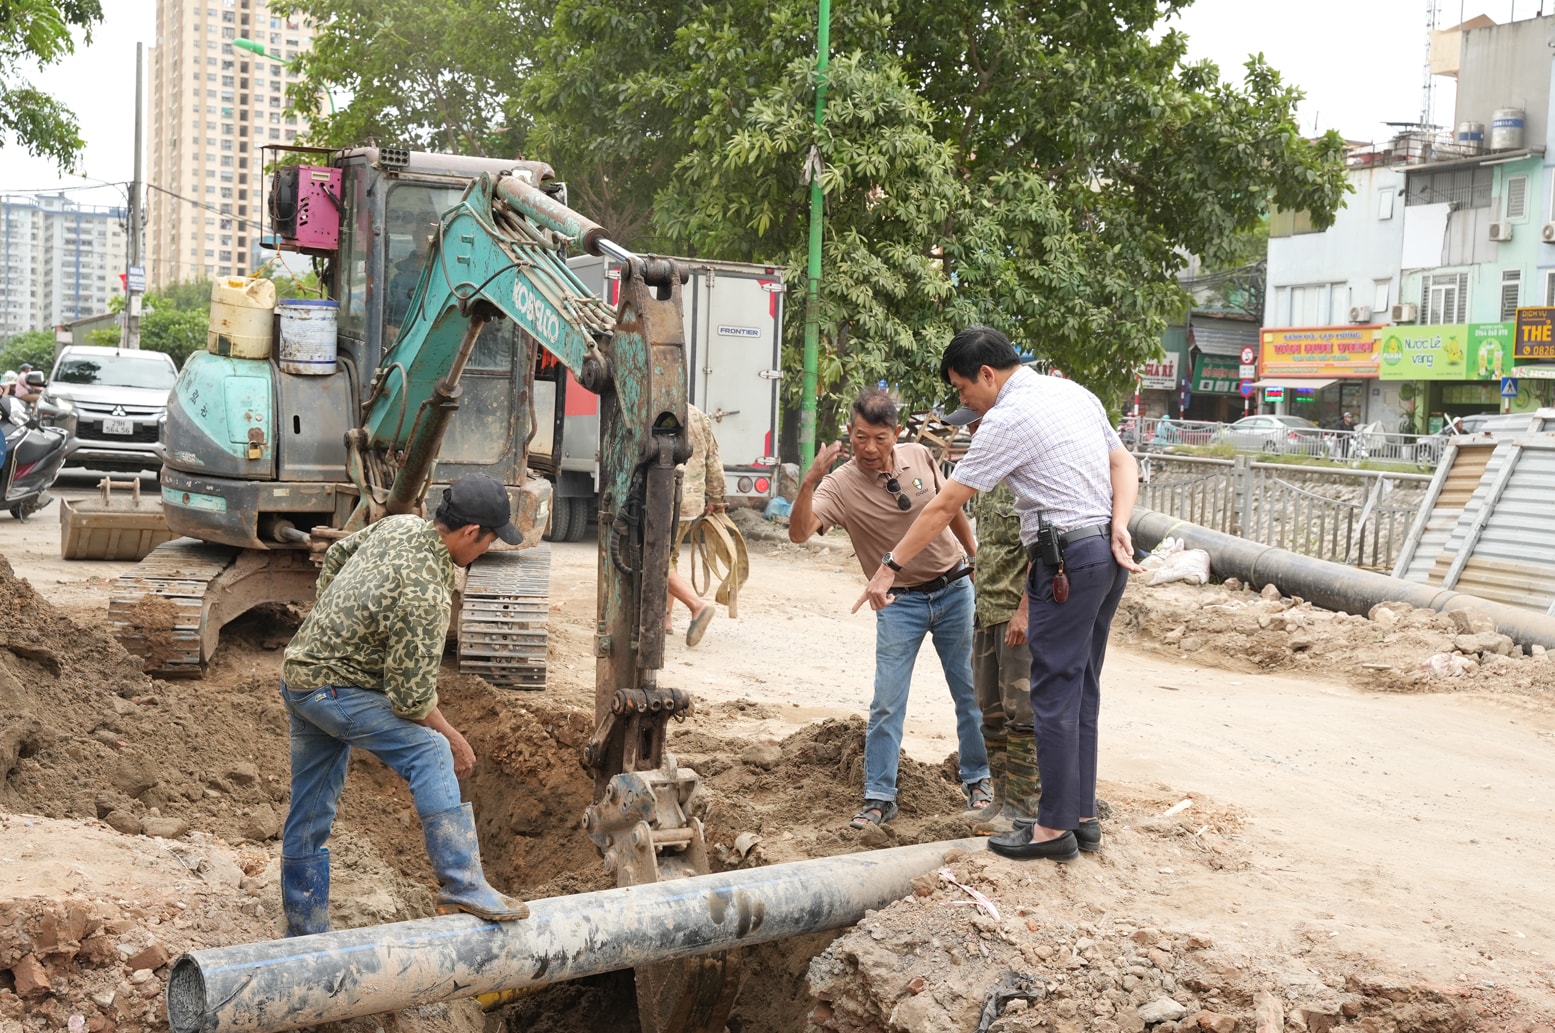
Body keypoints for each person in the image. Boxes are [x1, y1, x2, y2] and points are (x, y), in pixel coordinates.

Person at [856, 328, 1145, 862]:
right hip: (1105, 551)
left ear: (987, 375)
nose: (966, 404)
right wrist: (1120, 524)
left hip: (1064, 561)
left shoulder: (1010, 418)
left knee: (1052, 693)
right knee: (1081, 688)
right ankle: (1082, 819)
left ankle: (1051, 830)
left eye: (964, 391)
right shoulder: (1073, 393)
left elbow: (943, 506)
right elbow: (1124, 463)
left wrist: (889, 568)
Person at [277, 474, 530, 936]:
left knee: (311, 809)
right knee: (430, 751)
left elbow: (336, 554)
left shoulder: (400, 526)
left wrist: (339, 625)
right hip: (334, 692)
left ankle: (303, 932)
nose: (486, 552)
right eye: (490, 541)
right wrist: (454, 739)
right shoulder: (427, 594)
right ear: (471, 531)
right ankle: (463, 883)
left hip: (300, 676)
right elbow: (410, 698)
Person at [790, 389, 991, 830]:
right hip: (899, 603)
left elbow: (949, 506)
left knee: (970, 693)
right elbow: (801, 533)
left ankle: (979, 781)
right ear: (849, 432)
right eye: (860, 437)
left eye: (880, 438)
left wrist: (973, 556)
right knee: (886, 702)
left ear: (896, 434)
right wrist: (807, 483)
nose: (869, 448)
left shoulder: (919, 456)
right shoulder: (839, 485)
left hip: (955, 589)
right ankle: (879, 797)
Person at [942, 407, 1036, 832]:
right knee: (991, 712)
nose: (974, 431)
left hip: (1016, 615)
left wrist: (1025, 611)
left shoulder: (1026, 474)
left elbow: (1043, 550)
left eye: (979, 422)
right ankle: (999, 801)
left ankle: (1026, 806)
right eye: (971, 426)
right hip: (986, 610)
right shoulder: (983, 475)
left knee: (1023, 715)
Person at [667, 403, 725, 647]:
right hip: (690, 504)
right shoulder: (699, 416)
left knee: (656, 561)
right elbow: (713, 461)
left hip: (664, 500)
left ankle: (697, 606)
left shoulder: (655, 409)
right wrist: (716, 499)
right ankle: (665, 619)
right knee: (671, 556)